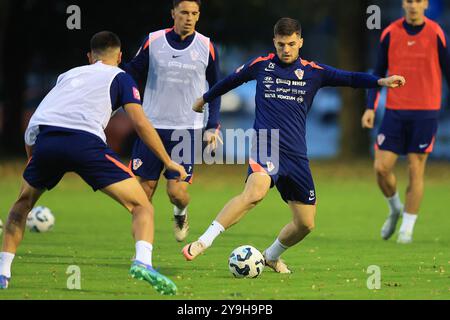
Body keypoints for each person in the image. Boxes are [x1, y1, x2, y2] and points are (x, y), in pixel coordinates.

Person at [181, 18, 405, 273]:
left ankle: (271, 256)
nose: (285, 49)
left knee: (306, 224)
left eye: (290, 44)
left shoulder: (314, 72)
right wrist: (204, 99)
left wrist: (381, 82)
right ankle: (203, 241)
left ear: (300, 41)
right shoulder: (261, 66)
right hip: (267, 144)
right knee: (255, 192)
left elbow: (350, 78)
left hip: (297, 155)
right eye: (280, 44)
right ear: (274, 42)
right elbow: (230, 80)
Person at [0, 31, 187, 295]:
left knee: (21, 205)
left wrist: (34, 160)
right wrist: (168, 161)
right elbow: (141, 122)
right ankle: (143, 261)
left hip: (47, 140)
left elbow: (34, 123)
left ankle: (3, 273)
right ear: (120, 57)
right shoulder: (121, 77)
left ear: (89, 57)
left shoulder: (67, 76)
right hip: (85, 143)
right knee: (141, 204)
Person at [122, 0, 221, 242]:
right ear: (173, 13)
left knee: (176, 192)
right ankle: (143, 255)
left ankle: (181, 212)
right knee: (142, 194)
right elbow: (131, 72)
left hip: (186, 130)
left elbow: (216, 88)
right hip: (151, 127)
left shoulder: (206, 46)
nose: (189, 17)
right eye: (184, 12)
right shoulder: (153, 41)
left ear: (198, 16)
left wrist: (212, 126)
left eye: (194, 13)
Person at [361, 0, 450, 244]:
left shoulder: (436, 32)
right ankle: (395, 208)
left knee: (415, 169)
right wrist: (370, 107)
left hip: (426, 112)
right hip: (394, 111)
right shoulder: (390, 33)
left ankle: (406, 231)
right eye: (409, 1)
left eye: (418, 1)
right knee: (381, 167)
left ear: (426, 4)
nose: (413, 5)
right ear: (404, 4)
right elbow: (377, 73)